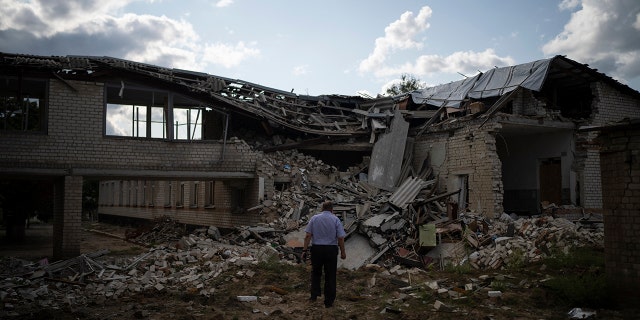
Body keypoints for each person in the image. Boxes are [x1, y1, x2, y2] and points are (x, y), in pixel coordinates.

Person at [302, 200, 346, 308]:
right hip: (331, 250)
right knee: (330, 275)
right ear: (332, 209)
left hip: (317, 249)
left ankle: (314, 295)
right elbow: (340, 237)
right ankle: (329, 301)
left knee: (316, 273)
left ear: (322, 208)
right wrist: (343, 252)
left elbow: (308, 235)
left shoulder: (314, 218)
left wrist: (304, 250)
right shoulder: (336, 219)